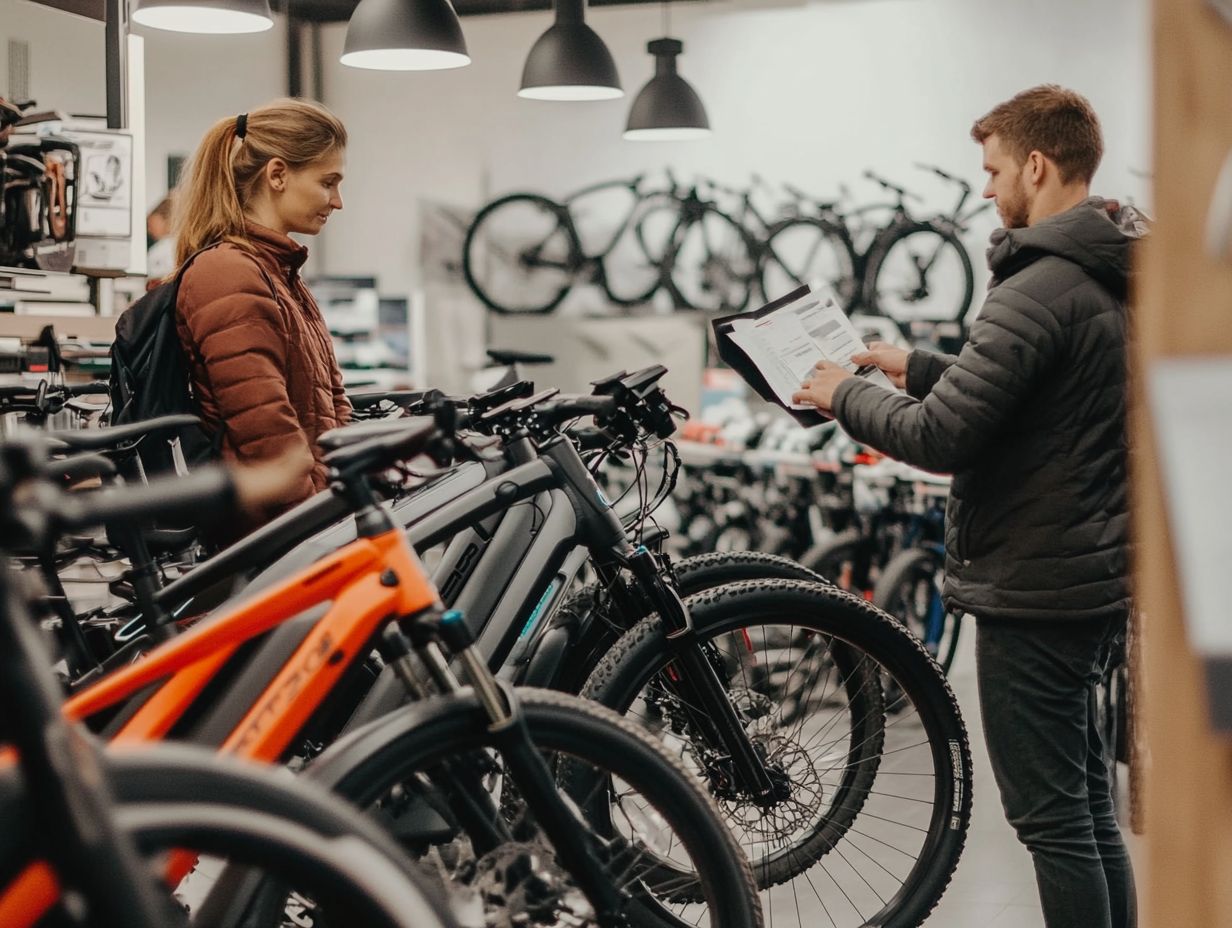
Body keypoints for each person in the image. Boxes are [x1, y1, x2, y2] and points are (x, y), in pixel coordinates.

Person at [792, 84, 1140, 928]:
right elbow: (1022, 397)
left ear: (1036, 164)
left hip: (1036, 585)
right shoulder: (1102, 271)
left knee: (1053, 822)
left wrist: (842, 393)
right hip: (1087, 575)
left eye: (991, 172)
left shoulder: (1037, 282)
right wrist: (908, 364)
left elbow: (944, 437)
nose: (985, 190)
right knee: (1088, 809)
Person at [172, 98, 351, 537]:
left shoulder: (279, 273)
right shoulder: (230, 273)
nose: (338, 201)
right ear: (277, 174)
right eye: (328, 182)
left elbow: (333, 401)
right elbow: (268, 441)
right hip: (276, 537)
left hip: (311, 519)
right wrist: (324, 529)